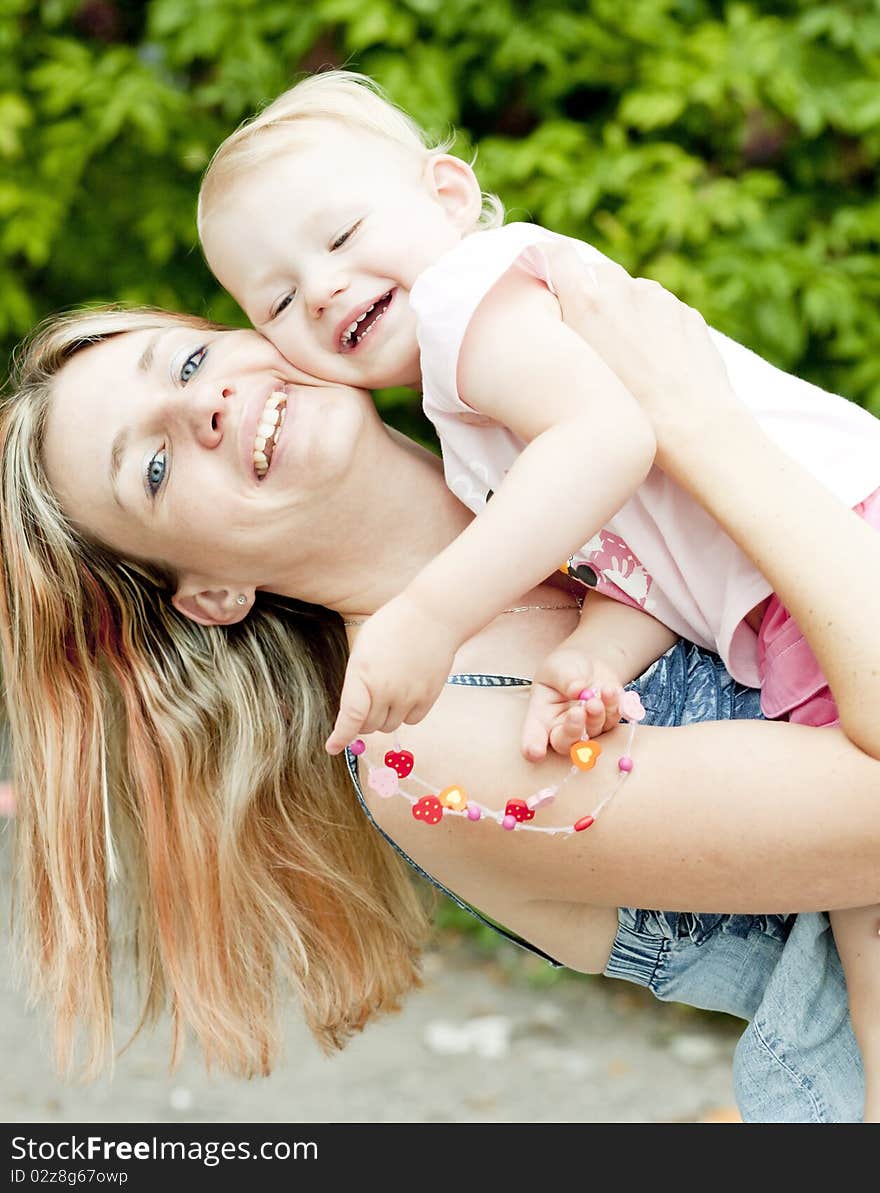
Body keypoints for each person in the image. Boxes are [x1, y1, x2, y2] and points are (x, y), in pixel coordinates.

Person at [2, 294, 880, 1123]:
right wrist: (703, 428)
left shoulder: (573, 445)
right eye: (153, 468)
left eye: (190, 359)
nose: (207, 406)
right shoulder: (429, 751)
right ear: (212, 593)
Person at [193, 70, 880, 1117]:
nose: (321, 287)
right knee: (866, 910)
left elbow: (612, 440)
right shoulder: (476, 420)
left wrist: (432, 614)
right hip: (790, 584)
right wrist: (598, 652)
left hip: (836, 529)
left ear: (448, 193)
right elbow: (654, 546)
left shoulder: (472, 304)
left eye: (339, 235)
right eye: (277, 297)